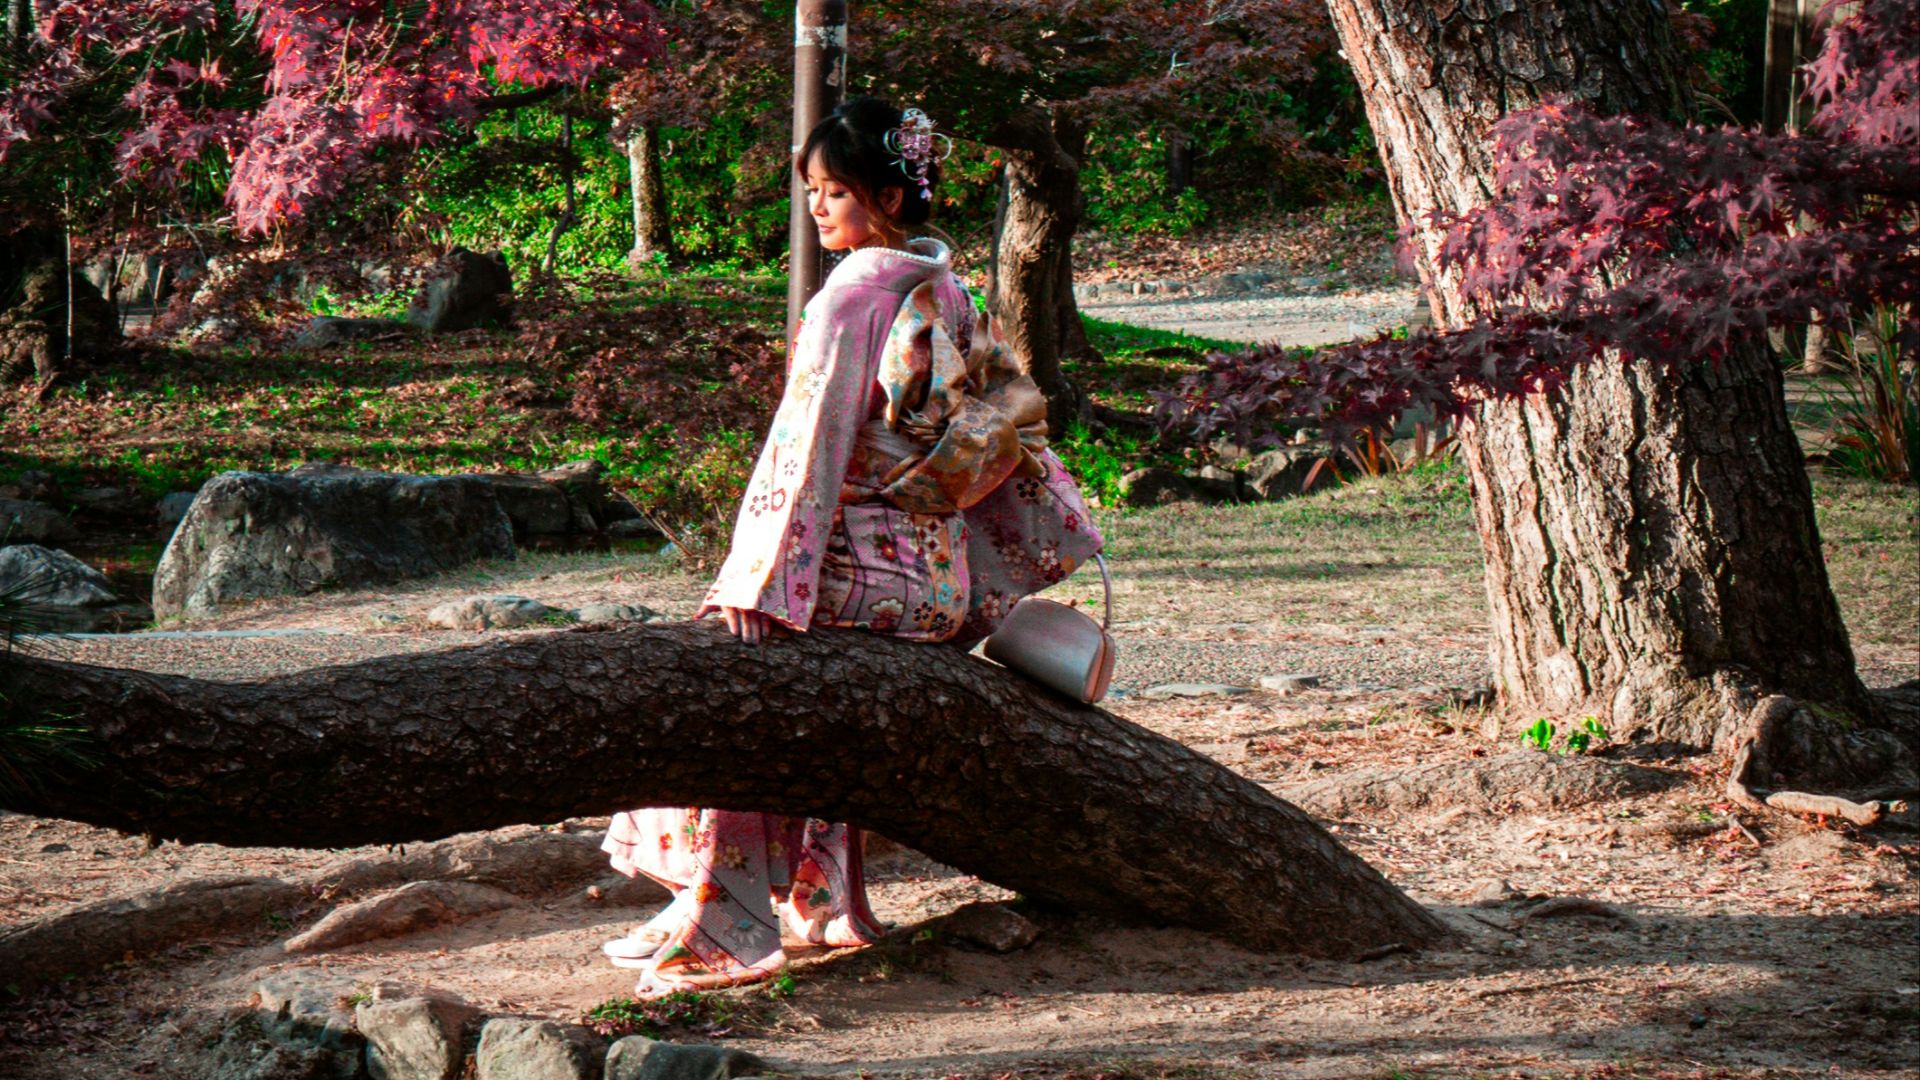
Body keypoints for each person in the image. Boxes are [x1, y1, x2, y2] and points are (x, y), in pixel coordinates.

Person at [599, 97, 1104, 997]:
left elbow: (808, 448)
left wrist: (761, 583)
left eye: (834, 191)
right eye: (813, 192)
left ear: (889, 196)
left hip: (856, 577)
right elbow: (1006, 432)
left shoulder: (854, 299)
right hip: (931, 581)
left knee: (729, 685)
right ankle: (815, 896)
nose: (818, 210)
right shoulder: (947, 289)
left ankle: (722, 917)